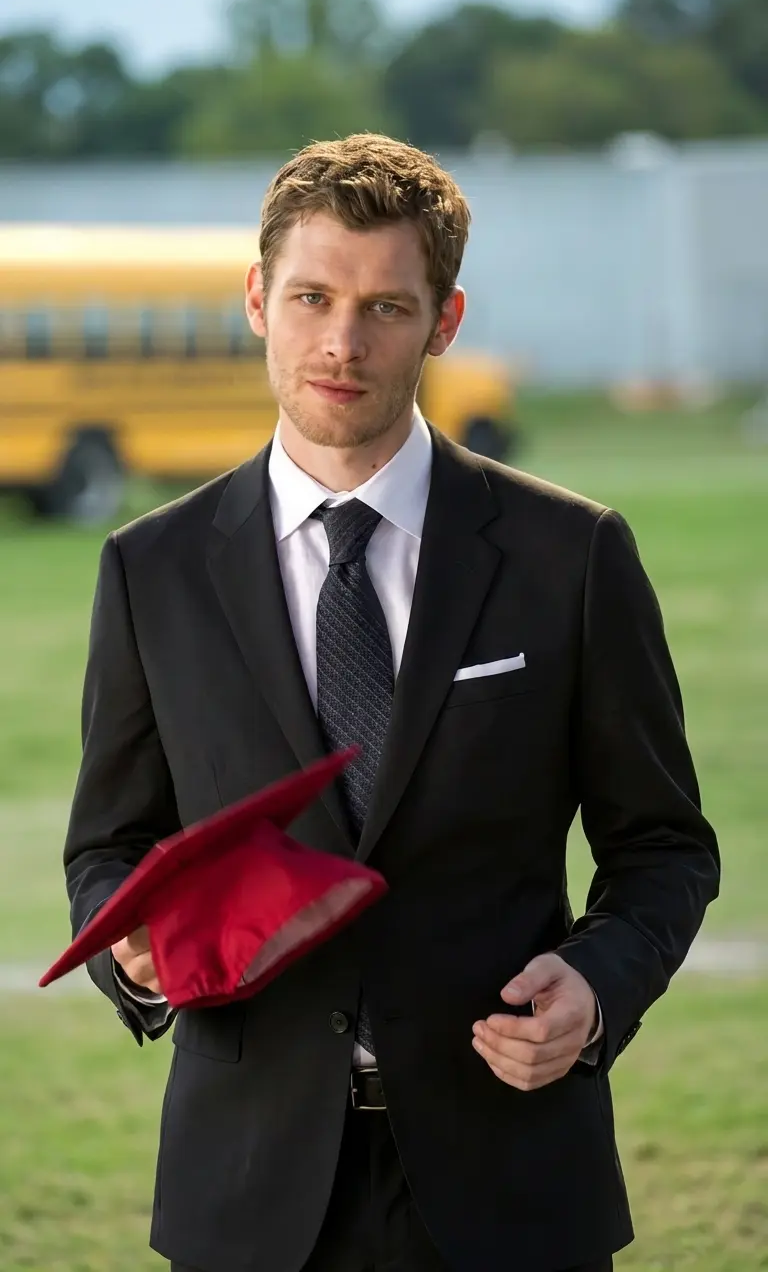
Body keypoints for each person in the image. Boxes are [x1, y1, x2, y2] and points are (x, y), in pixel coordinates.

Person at [62, 133, 720, 1272]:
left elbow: (664, 845)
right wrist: (130, 948)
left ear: (444, 322)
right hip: (246, 1190)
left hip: (513, 1178)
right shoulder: (148, 569)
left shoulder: (570, 555)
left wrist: (598, 984)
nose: (342, 342)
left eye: (386, 307)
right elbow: (108, 847)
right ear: (258, 299)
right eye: (312, 297)